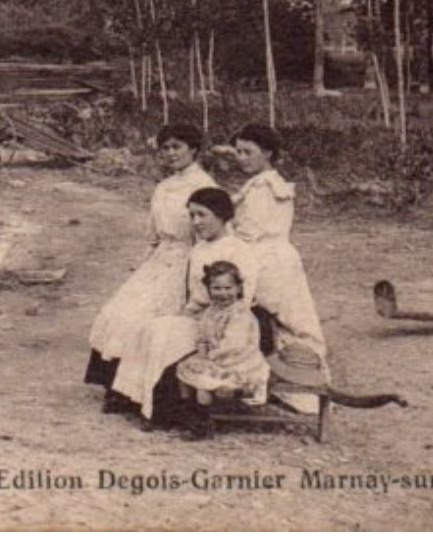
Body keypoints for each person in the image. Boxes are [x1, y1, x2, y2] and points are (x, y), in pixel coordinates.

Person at [85, 123, 214, 401]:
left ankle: (146, 392)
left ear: (193, 149)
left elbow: (208, 233)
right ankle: (117, 388)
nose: (170, 153)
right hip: (160, 259)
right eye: (165, 148)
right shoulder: (163, 186)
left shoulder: (204, 186)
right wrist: (144, 265)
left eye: (177, 147)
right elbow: (153, 234)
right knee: (119, 310)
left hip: (187, 261)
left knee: (148, 319)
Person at [109, 186, 258, 423]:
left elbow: (243, 298)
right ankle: (137, 399)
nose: (196, 222)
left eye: (202, 215)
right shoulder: (198, 249)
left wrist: (208, 322)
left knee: (163, 335)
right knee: (150, 327)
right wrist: (185, 315)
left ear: (221, 215)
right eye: (192, 216)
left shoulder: (238, 249)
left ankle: (164, 412)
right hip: (198, 316)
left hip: (226, 324)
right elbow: (194, 296)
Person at [229, 123, 330, 410]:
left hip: (266, 261)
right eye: (238, 152)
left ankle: (298, 388)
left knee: (282, 321)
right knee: (289, 320)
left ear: (268, 153)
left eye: (248, 152)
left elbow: (248, 233)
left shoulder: (265, 188)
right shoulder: (263, 183)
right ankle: (279, 382)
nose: (241, 157)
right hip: (278, 257)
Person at [175, 260, 270, 408]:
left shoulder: (240, 313)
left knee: (203, 383)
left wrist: (211, 359)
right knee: (185, 367)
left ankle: (204, 414)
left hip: (239, 360)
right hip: (216, 357)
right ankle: (186, 406)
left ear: (238, 288)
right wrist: (202, 356)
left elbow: (234, 345)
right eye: (216, 288)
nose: (223, 293)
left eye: (228, 288)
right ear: (209, 289)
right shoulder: (211, 311)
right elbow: (203, 336)